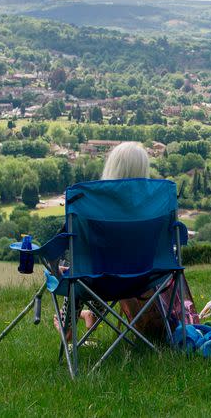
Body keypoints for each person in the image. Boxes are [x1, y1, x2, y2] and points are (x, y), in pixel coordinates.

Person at [54, 141, 151, 336]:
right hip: (143, 281)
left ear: (112, 167)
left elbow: (58, 243)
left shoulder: (91, 205)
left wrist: (55, 267)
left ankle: (67, 327)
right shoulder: (152, 206)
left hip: (97, 281)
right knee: (96, 273)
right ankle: (90, 315)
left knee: (79, 275)